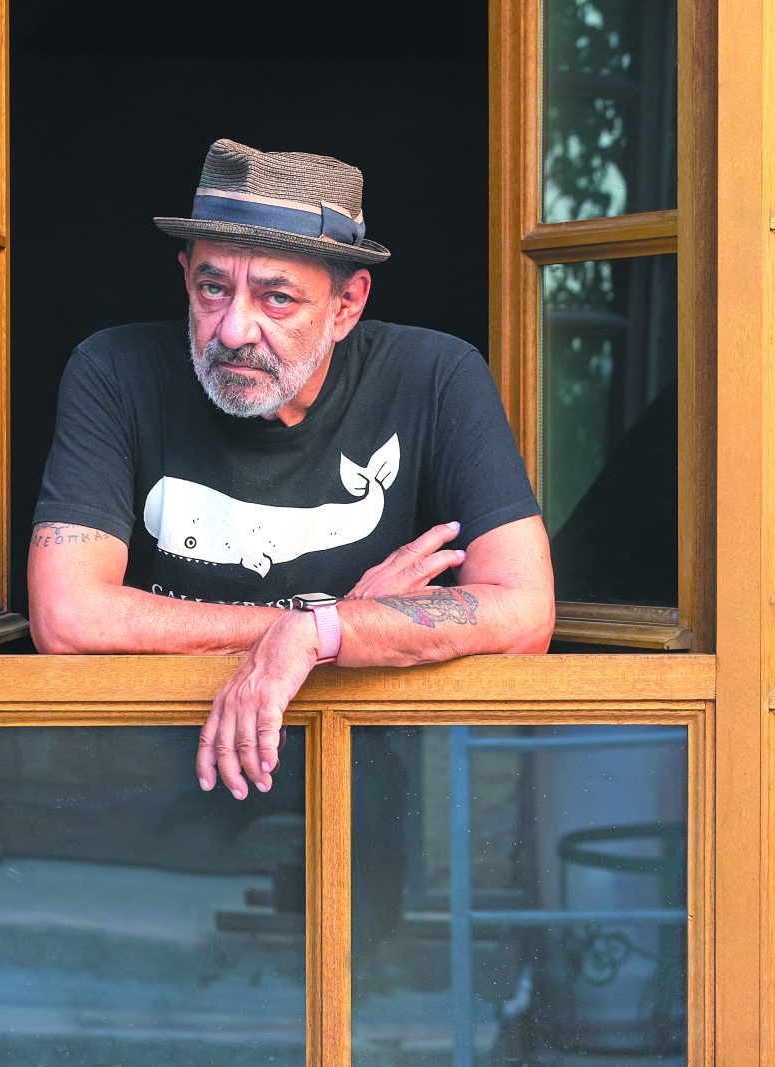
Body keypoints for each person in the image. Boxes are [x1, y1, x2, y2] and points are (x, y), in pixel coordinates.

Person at [28, 138, 554, 803]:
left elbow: (526, 611)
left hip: (359, 788)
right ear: (185, 276)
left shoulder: (437, 378)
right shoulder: (115, 372)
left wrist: (316, 634)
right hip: (149, 789)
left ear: (347, 304)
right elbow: (67, 615)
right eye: (213, 288)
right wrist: (333, 622)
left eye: (276, 298)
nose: (233, 330)